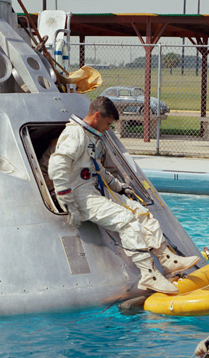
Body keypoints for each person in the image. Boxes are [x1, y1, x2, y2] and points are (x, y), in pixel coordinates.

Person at [48, 96, 199, 295]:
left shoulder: (90, 136)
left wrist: (119, 187)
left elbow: (97, 168)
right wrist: (68, 201)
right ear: (97, 115)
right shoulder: (75, 134)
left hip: (93, 189)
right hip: (80, 194)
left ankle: (166, 258)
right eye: (108, 123)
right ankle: (149, 275)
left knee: (139, 211)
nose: (108, 128)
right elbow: (57, 165)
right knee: (126, 220)